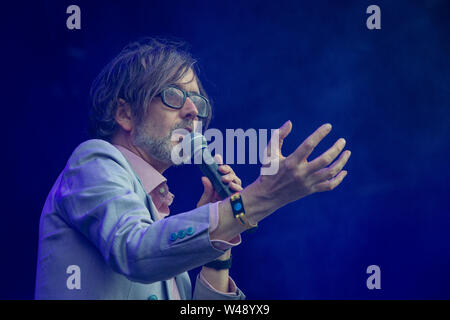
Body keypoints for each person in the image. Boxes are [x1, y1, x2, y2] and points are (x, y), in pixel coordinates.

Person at [35, 37, 351, 300]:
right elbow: (135, 250)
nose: (191, 112)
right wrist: (260, 198)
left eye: (198, 102)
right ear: (126, 114)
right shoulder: (93, 160)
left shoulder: (163, 226)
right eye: (174, 95)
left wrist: (220, 247)